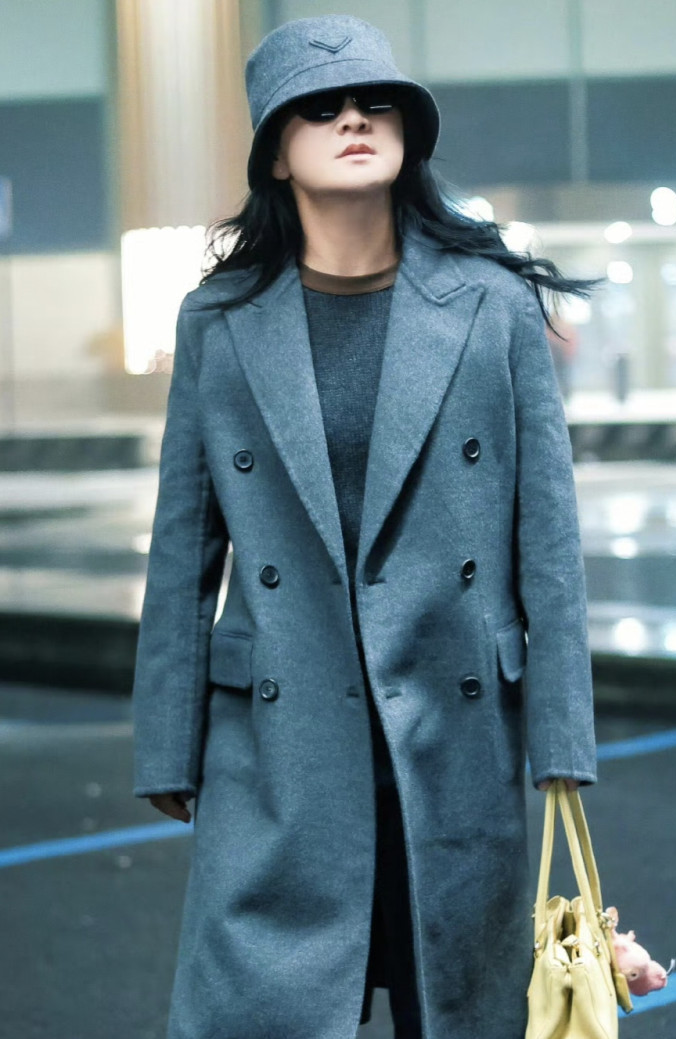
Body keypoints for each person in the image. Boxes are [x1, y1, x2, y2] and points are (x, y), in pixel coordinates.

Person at [132, 15, 599, 1039]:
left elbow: (548, 539)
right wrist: (167, 743)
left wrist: (562, 737)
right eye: (320, 107)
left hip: (452, 723)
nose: (353, 118)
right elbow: (184, 542)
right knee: (264, 1008)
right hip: (280, 734)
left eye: (376, 101)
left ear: (408, 134)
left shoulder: (491, 306)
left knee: (460, 1006)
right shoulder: (220, 319)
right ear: (275, 152)